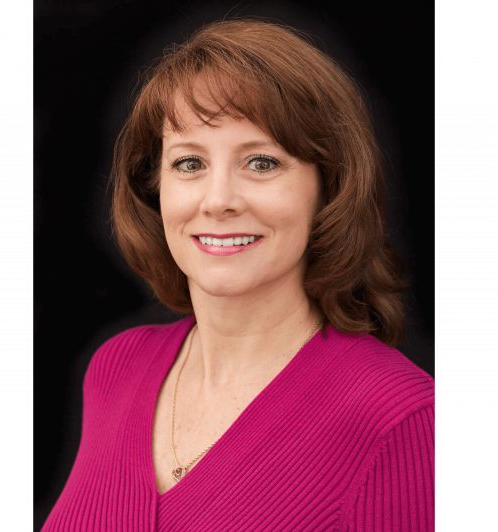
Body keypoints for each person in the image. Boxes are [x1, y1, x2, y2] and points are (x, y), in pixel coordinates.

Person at [41, 19, 435, 532]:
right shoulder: (116, 369)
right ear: (153, 188)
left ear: (329, 189)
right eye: (188, 164)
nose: (219, 200)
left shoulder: (399, 418)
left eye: (262, 162)